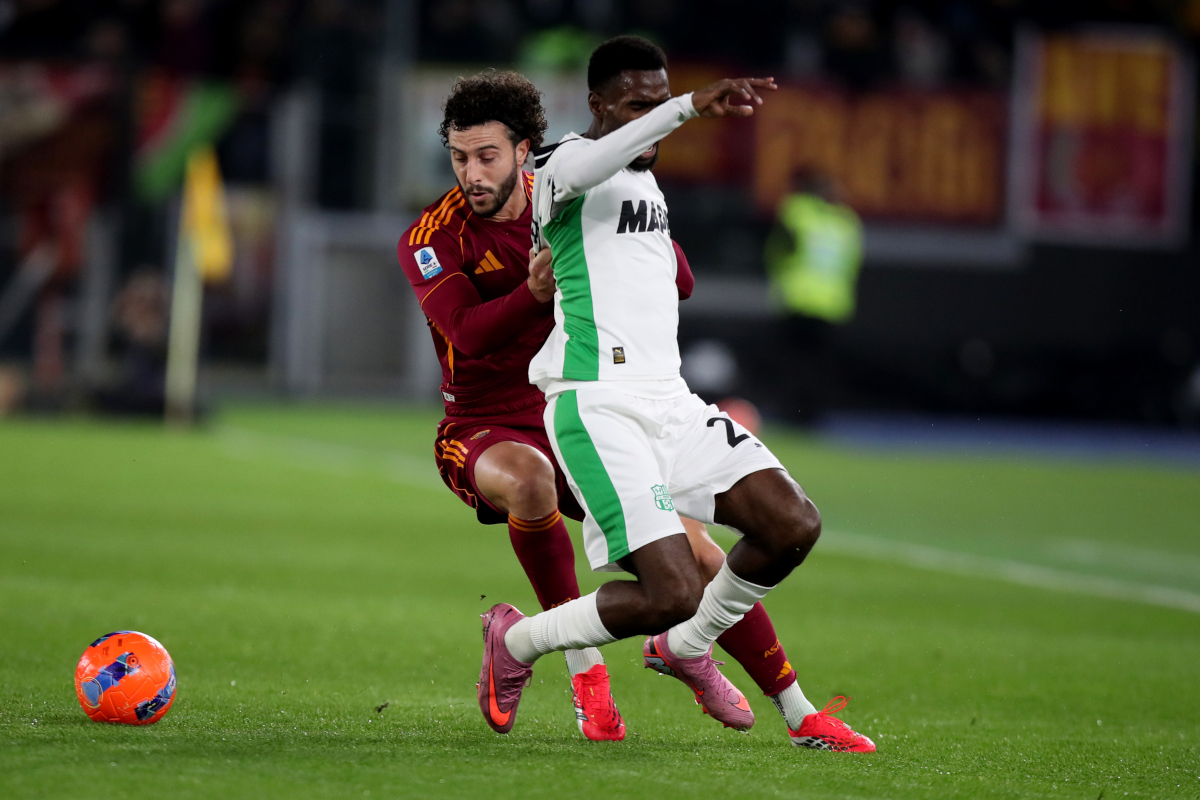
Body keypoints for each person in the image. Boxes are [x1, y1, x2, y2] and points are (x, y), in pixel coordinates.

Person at [478, 36, 875, 752]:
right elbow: (601, 162)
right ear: (597, 105)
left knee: (792, 525)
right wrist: (690, 107)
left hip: (674, 403)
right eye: (638, 105)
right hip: (598, 403)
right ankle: (519, 638)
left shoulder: (646, 181)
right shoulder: (560, 164)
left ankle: (688, 646)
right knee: (668, 589)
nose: (654, 119)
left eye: (660, 101)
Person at [401, 70, 815, 745]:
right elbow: (467, 335)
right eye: (458, 157)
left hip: (588, 406)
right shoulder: (433, 234)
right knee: (530, 481)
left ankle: (778, 697)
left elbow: (678, 274)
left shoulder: (577, 192)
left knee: (697, 554)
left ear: (524, 150)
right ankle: (586, 675)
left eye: (486, 157)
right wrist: (535, 294)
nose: (470, 174)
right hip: (483, 424)